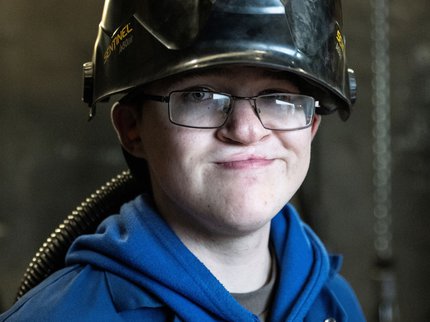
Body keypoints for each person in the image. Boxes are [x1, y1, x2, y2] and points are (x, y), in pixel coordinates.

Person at [1, 0, 365, 321]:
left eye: (279, 98)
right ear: (133, 128)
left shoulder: (336, 304)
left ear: (311, 125)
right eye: (200, 95)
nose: (246, 130)